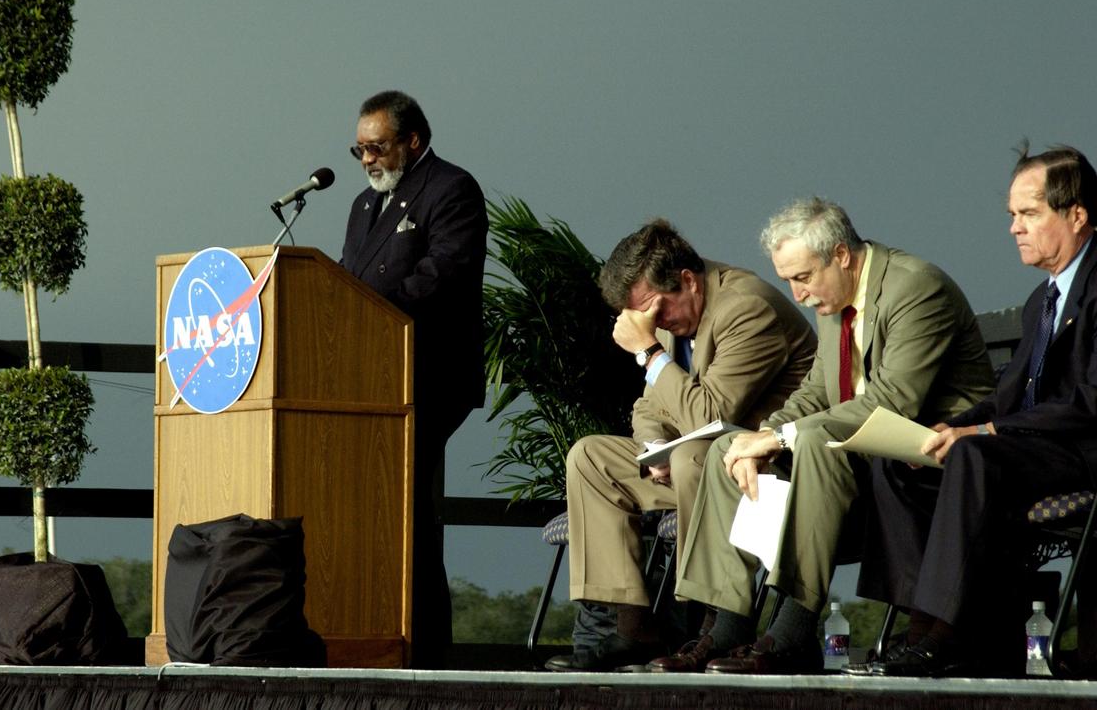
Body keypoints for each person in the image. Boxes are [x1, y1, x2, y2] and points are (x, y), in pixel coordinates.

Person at [662, 197, 995, 674]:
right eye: (788, 280)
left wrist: (781, 438)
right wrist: (763, 435)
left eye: (802, 277)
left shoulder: (915, 288)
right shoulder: (833, 295)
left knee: (812, 444)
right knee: (725, 449)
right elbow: (817, 390)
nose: (798, 295)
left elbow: (892, 399)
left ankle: (795, 628)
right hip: (860, 448)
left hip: (930, 450)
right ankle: (724, 627)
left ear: (840, 255)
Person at [853, 144, 1097, 677]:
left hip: (1080, 450)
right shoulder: (1043, 299)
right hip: (1025, 448)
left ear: (1077, 215)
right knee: (899, 463)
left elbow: (1089, 401)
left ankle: (942, 636)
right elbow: (1009, 395)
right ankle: (920, 627)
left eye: (1030, 214)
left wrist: (985, 430)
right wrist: (954, 426)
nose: (1015, 227)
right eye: (1012, 215)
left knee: (973, 458)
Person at [544, 219, 817, 672]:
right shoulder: (673, 316)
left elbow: (710, 413)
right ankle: (634, 630)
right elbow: (650, 407)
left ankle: (712, 625)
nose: (654, 323)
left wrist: (649, 352)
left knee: (695, 454)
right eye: (643, 319)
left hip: (771, 466)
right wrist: (653, 446)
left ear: (688, 281)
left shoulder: (746, 308)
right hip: (703, 467)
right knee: (591, 457)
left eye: (656, 311)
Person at [340, 89, 487, 668]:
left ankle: (427, 644)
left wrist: (371, 314)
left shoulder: (451, 188)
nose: (367, 160)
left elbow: (443, 274)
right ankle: (376, 628)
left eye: (376, 147)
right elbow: (347, 280)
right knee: (380, 503)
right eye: (359, 149)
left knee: (405, 501)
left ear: (412, 141)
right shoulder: (361, 204)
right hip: (371, 376)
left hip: (429, 373)